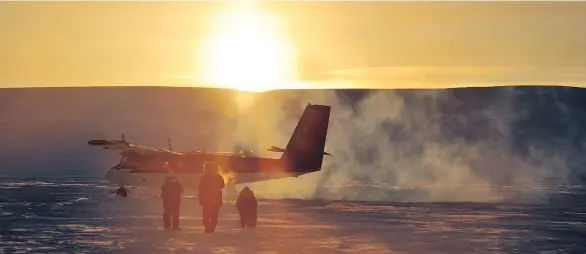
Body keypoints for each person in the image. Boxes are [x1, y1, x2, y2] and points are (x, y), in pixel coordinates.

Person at [198, 162, 225, 233]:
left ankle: (208, 228)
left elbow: (201, 190)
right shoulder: (218, 177)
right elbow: (222, 186)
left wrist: (201, 200)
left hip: (208, 200)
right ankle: (211, 228)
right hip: (215, 199)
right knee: (213, 215)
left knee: (207, 215)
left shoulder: (204, 178)